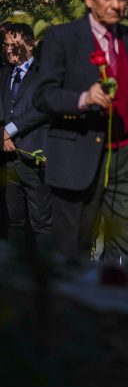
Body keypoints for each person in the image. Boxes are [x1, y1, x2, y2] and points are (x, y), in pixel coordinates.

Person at [34, 0, 128, 263]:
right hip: (78, 157)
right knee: (72, 252)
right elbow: (43, 95)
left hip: (126, 158)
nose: (117, 5)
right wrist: (82, 98)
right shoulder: (61, 38)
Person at [0, 23, 52, 253]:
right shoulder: (3, 74)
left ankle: (44, 279)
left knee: (42, 224)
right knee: (13, 222)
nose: (9, 50)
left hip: (34, 160)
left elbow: (43, 108)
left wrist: (9, 130)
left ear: (29, 45)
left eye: (15, 45)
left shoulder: (44, 74)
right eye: (6, 45)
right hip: (8, 161)